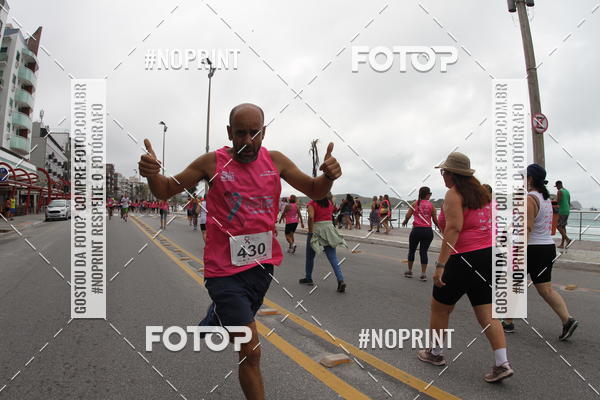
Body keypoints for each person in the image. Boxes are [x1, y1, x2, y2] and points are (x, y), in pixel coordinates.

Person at [138, 103, 341, 400]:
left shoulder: (276, 161)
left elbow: (314, 189)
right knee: (250, 349)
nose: (247, 140)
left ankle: (217, 314)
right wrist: (151, 174)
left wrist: (329, 177)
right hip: (223, 272)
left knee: (242, 326)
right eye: (241, 133)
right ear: (229, 132)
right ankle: (223, 309)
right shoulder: (211, 163)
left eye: (254, 133)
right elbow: (165, 189)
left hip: (261, 269)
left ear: (264, 132)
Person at [417, 152, 513, 383]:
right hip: (487, 255)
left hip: (463, 257)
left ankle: (435, 353)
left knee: (440, 308)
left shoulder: (453, 194)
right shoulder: (483, 194)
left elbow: (454, 229)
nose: (442, 176)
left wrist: (441, 264)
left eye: (444, 172)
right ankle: (502, 363)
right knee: (487, 313)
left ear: (452, 174)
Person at [502, 165, 578, 339]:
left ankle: (508, 322)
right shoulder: (545, 199)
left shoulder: (529, 199)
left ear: (530, 179)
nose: (521, 180)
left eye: (523, 177)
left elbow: (527, 228)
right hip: (547, 247)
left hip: (532, 248)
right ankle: (567, 320)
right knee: (546, 290)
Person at [299, 193, 347, 292]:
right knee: (333, 257)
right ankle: (340, 280)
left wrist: (310, 232)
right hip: (329, 229)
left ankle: (308, 278)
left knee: (310, 256)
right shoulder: (329, 203)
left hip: (317, 230)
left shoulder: (312, 203)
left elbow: (311, 217)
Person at [402, 187, 438, 281]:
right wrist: (440, 227)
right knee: (423, 252)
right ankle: (423, 274)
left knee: (412, 250)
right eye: (429, 194)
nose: (430, 195)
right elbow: (435, 220)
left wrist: (405, 221)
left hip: (417, 230)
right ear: (427, 195)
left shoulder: (415, 204)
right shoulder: (431, 205)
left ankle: (410, 271)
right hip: (427, 231)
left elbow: (408, 215)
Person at [555, 180, 572, 249]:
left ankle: (567, 239)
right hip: (567, 210)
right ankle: (562, 244)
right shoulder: (567, 191)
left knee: (558, 226)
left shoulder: (560, 191)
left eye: (556, 186)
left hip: (562, 211)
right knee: (563, 227)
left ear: (559, 185)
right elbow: (568, 202)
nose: (556, 188)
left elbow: (558, 202)